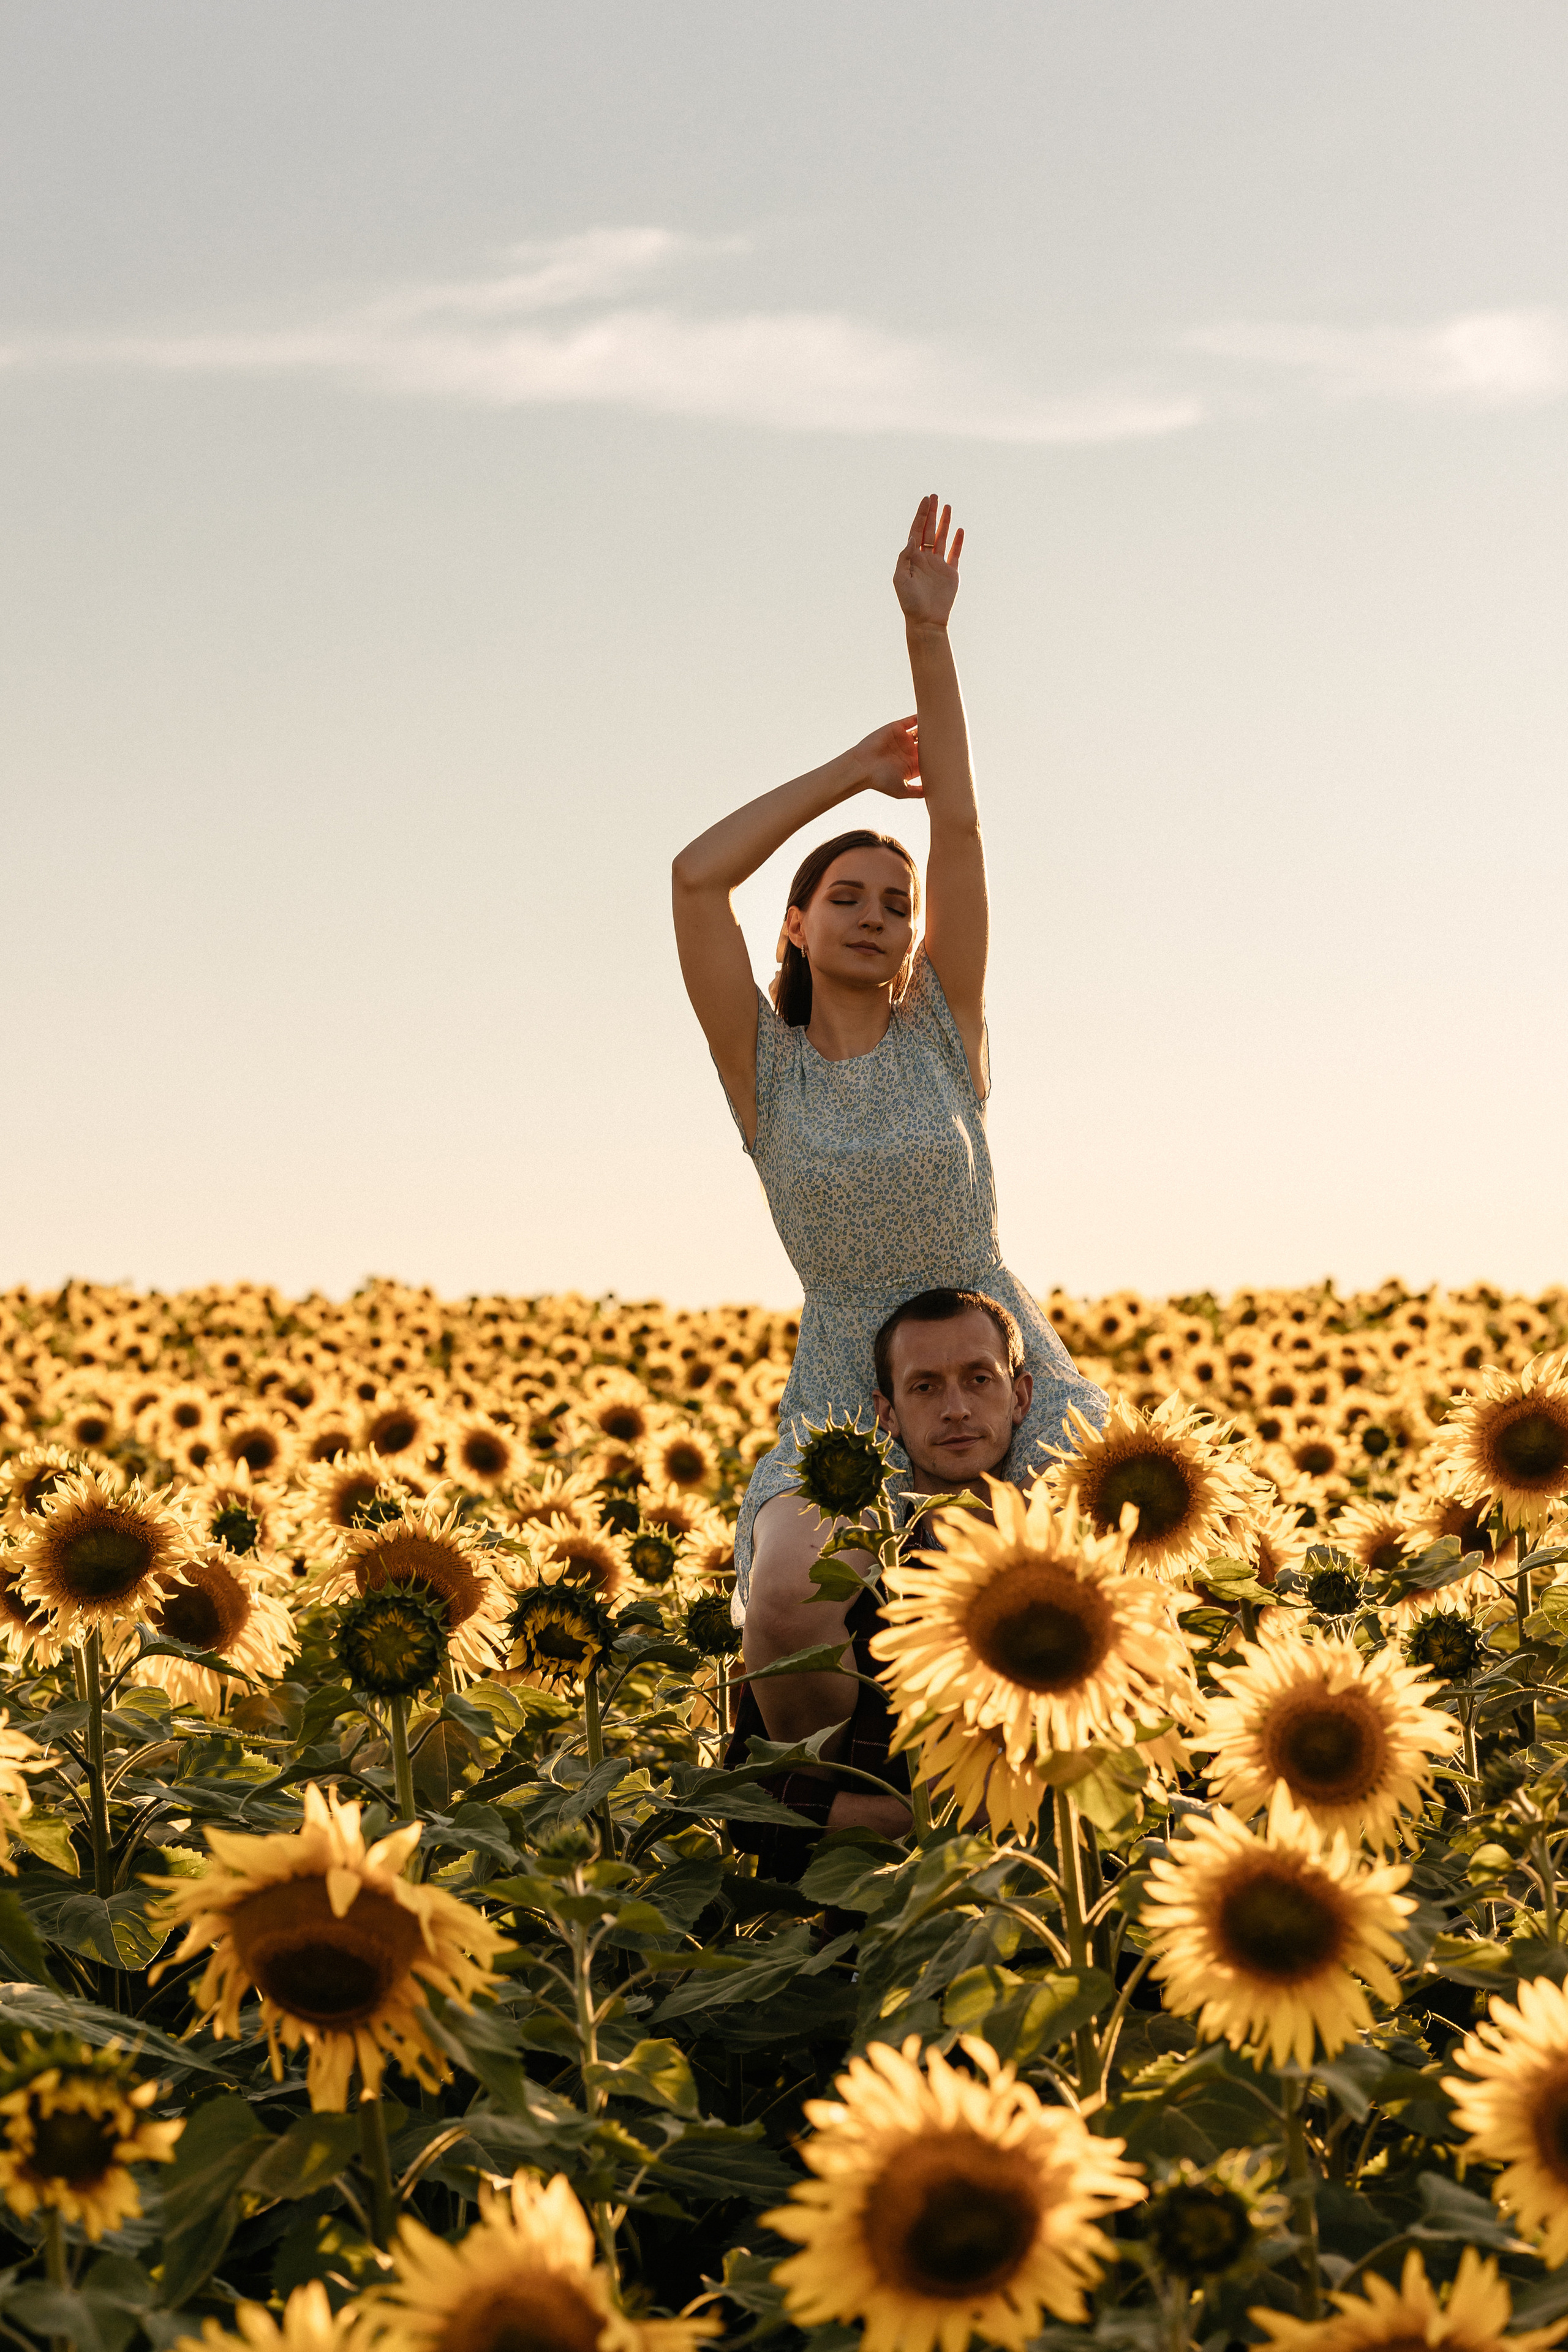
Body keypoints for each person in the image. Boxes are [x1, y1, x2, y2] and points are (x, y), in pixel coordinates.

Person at [671, 494, 1106, 1638]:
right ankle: (816, 1762)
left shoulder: (942, 1031)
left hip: (998, 1368)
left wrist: (928, 636)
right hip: (845, 1390)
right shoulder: (763, 1071)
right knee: (788, 1595)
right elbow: (695, 877)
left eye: (896, 905)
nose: (877, 916)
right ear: (797, 925)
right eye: (847, 898)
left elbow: (958, 829)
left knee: (1106, 1560)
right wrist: (855, 771)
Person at [720, 1286, 1034, 1876]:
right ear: (887, 1414)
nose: (956, 1409)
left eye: (978, 1379)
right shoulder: (853, 1582)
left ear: (1020, 1396)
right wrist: (930, 1819)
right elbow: (753, 1806)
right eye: (925, 1387)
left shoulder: (1062, 1583)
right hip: (865, 1914)